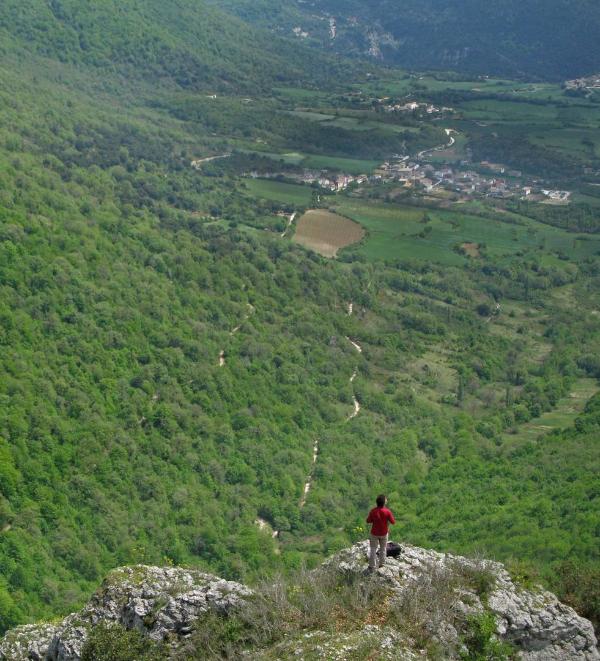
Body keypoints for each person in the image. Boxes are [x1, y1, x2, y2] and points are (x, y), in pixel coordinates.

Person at [366, 494, 395, 570]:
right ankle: (382, 564)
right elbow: (393, 522)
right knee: (383, 549)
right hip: (384, 533)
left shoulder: (373, 511)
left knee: (373, 549)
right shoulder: (387, 511)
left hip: (374, 533)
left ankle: (371, 566)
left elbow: (368, 521)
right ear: (384, 502)